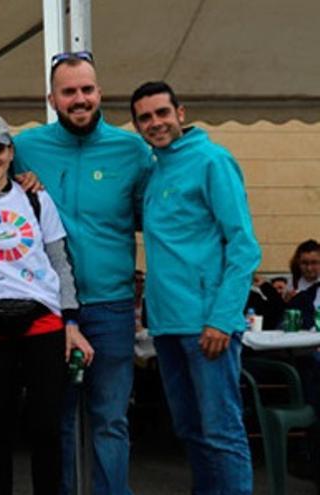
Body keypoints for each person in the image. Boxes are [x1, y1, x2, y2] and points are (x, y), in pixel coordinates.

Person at [11, 52, 152, 495]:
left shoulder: (132, 150)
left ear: (99, 93)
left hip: (110, 305)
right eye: (69, 91)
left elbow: (158, 215)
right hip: (50, 307)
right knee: (58, 419)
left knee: (110, 418)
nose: (80, 99)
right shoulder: (26, 148)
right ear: (51, 98)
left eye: (87, 90)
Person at [131, 80, 260, 495]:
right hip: (167, 327)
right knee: (191, 431)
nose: (155, 123)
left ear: (180, 113)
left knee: (222, 433)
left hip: (208, 326)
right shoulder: (154, 171)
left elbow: (243, 246)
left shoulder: (212, 161)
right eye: (145, 117)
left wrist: (223, 318)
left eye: (162, 113)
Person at [0, 113, 94, 495]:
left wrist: (70, 319)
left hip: (42, 321)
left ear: (11, 152)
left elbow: (60, 261)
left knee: (45, 427)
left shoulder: (36, 198)